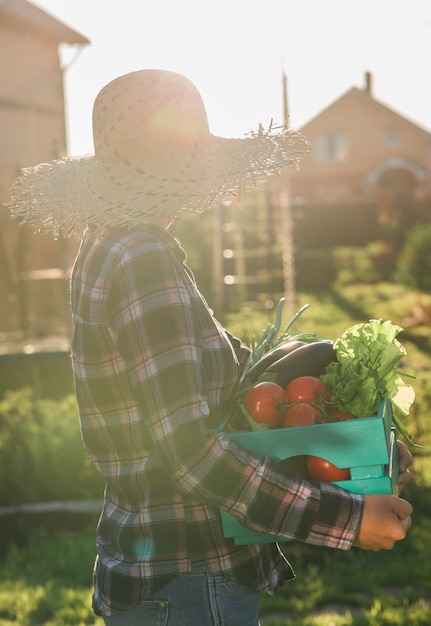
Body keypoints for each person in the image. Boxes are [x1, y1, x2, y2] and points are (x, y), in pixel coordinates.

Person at [9, 69, 413, 626]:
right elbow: (193, 453)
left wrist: (361, 446)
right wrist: (347, 518)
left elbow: (220, 391)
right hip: (190, 580)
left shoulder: (106, 245)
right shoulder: (143, 260)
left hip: (157, 567)